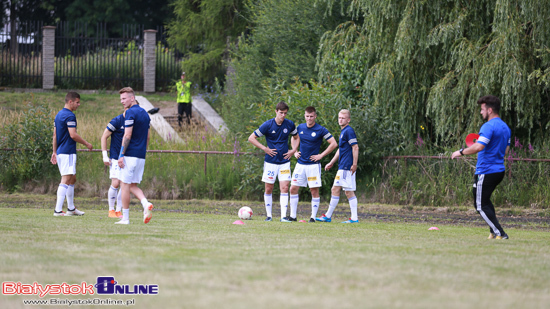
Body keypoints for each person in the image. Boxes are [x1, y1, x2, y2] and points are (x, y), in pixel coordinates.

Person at [451, 95, 510, 239]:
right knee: (485, 201)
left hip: (486, 171)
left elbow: (478, 146)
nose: (480, 112)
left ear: (489, 110)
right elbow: (506, 151)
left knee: (479, 205)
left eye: (482, 109)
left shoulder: (488, 126)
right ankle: (492, 231)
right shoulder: (505, 127)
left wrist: (460, 152)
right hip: (499, 171)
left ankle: (500, 233)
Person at [248, 101, 299, 222]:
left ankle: (283, 217)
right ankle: (269, 216)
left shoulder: (290, 124)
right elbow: (251, 138)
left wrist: (294, 150)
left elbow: (296, 137)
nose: (283, 115)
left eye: (285, 113)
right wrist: (264, 148)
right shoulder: (268, 125)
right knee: (269, 189)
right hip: (270, 162)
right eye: (281, 113)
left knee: (285, 188)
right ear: (276, 111)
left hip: (284, 162)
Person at [287, 106, 337, 222]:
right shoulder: (300, 127)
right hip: (300, 164)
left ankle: (313, 217)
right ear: (305, 116)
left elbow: (333, 143)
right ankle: (293, 216)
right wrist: (294, 151)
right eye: (307, 116)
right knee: (293, 188)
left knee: (314, 191)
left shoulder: (321, 129)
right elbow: (294, 138)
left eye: (311, 116)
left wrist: (321, 155)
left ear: (315, 116)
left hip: (313, 165)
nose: (309, 118)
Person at [50, 91, 93, 216]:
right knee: (66, 179)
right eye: (77, 102)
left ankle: (71, 208)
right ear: (70, 101)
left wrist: (54, 152)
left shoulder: (58, 115)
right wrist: (86, 143)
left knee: (72, 178)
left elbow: (55, 135)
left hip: (61, 152)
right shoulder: (70, 116)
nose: (79, 105)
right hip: (67, 152)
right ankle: (57, 210)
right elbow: (73, 135)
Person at [115, 87, 154, 225]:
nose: (122, 101)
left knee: (124, 185)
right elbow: (148, 137)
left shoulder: (130, 112)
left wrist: (121, 155)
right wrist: (143, 150)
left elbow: (127, 135)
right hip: (140, 156)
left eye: (124, 98)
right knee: (132, 185)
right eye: (121, 99)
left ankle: (125, 218)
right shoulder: (145, 114)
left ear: (132, 98)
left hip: (129, 155)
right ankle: (145, 203)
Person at [316, 109, 359, 223]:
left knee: (346, 191)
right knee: (337, 189)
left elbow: (355, 147)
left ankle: (353, 218)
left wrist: (354, 164)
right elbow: (341, 149)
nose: (340, 120)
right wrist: (332, 162)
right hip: (342, 166)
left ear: (348, 120)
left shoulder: (349, 131)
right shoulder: (343, 131)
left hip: (346, 166)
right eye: (339, 118)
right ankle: (328, 216)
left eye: (343, 118)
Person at [101, 108, 127, 218]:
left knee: (124, 184)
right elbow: (104, 136)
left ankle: (118, 210)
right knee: (116, 182)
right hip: (116, 157)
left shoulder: (134, 122)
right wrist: (104, 155)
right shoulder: (116, 121)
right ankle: (111, 210)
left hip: (128, 157)